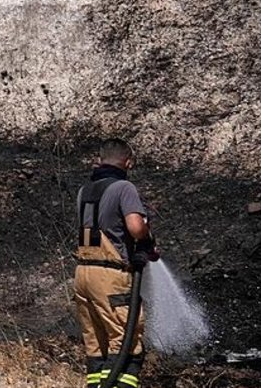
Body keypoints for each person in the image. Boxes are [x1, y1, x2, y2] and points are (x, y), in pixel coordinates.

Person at [73, 138, 160, 388]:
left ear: (99, 160)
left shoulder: (85, 191)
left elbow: (91, 234)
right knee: (127, 343)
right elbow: (134, 227)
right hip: (110, 278)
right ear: (128, 162)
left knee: (96, 343)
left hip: (83, 273)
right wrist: (144, 237)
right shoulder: (124, 188)